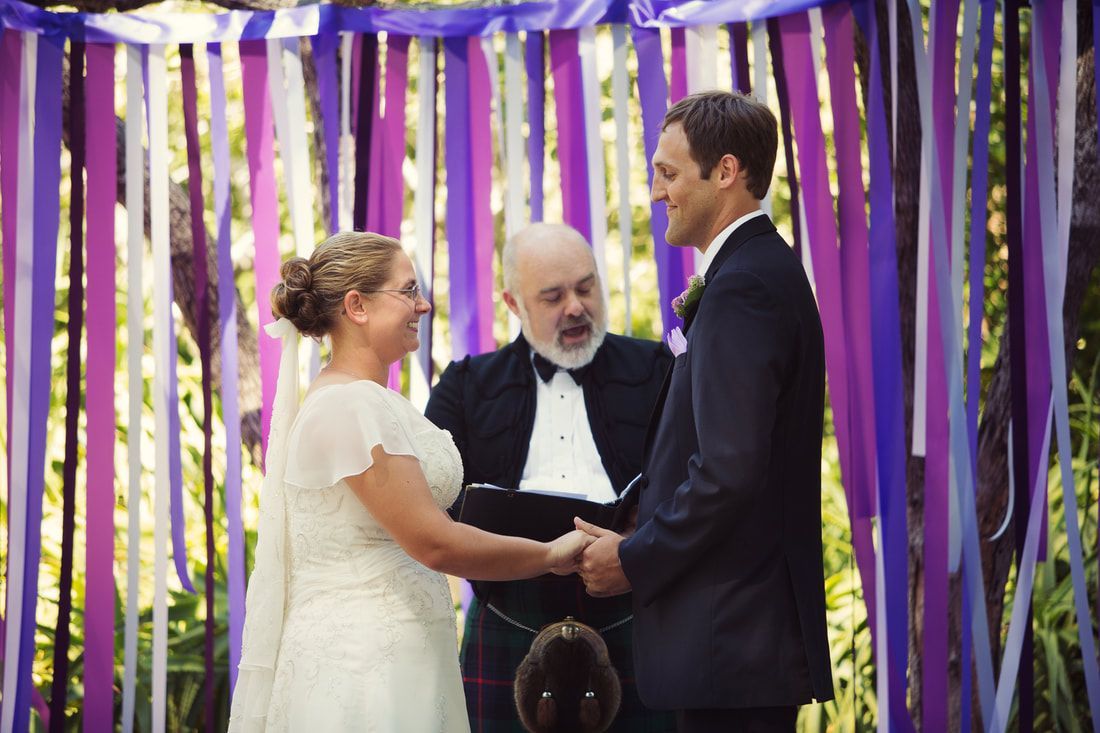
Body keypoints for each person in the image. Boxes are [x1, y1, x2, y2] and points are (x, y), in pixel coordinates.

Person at [227, 232, 592, 732]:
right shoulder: (350, 405)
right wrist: (549, 556)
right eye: (408, 290)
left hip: (397, 650)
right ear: (357, 305)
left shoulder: (367, 399)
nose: (423, 304)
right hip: (363, 664)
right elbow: (432, 542)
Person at [575, 91, 835, 733]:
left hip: (731, 639)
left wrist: (634, 559)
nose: (655, 191)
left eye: (668, 173)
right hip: (734, 644)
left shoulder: (744, 286)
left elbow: (728, 471)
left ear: (725, 171)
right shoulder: (753, 273)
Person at [425, 222, 675, 732]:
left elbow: (690, 482)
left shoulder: (657, 368)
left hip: (632, 606)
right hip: (509, 612)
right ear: (513, 304)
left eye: (585, 288)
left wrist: (634, 545)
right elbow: (433, 507)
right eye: (553, 296)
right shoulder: (465, 387)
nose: (576, 307)